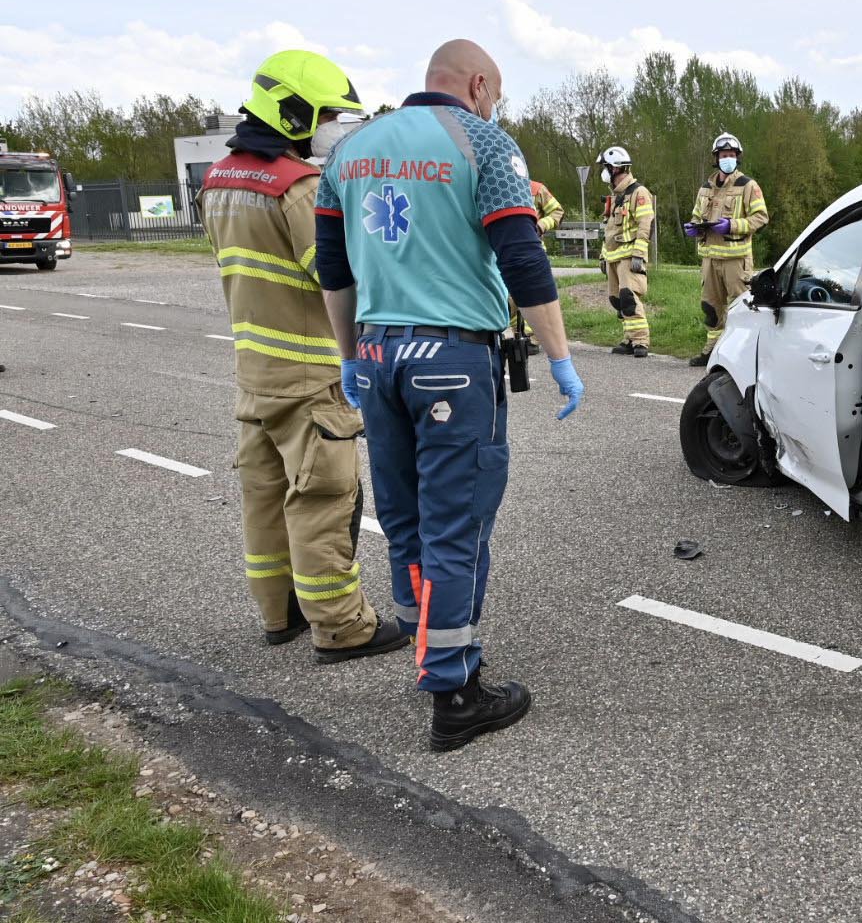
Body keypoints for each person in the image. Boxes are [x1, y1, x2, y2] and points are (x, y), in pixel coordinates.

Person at [314, 38, 585, 752]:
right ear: (474, 85)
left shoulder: (349, 152)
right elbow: (522, 256)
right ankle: (457, 694)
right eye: (493, 93)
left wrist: (349, 358)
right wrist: (560, 357)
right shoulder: (483, 143)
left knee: (406, 522)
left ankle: (429, 651)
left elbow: (334, 273)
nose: (493, 105)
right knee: (456, 529)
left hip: (376, 355)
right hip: (453, 361)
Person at [198, 50, 409, 663]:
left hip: (254, 374)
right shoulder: (298, 188)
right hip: (312, 375)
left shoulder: (220, 182)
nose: (331, 128)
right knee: (322, 500)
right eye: (325, 115)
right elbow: (339, 277)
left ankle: (279, 614)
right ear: (292, 113)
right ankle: (342, 627)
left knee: (264, 499)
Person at [686, 131, 768, 367]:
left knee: (741, 307)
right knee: (711, 306)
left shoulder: (748, 185)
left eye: (731, 155)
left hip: (736, 259)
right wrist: (695, 228)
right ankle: (712, 349)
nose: (727, 159)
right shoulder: (706, 187)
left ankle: (743, 354)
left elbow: (761, 218)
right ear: (716, 157)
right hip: (710, 258)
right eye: (724, 155)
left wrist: (732, 225)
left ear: (737, 157)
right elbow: (696, 215)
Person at [597, 146, 655, 357]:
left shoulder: (638, 193)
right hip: (613, 255)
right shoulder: (616, 196)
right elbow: (610, 230)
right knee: (617, 300)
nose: (603, 172)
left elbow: (645, 223)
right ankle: (629, 339)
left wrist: (639, 254)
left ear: (615, 168)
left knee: (629, 298)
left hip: (629, 255)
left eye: (606, 167)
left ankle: (641, 341)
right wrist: (604, 255)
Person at [509, 180, 565, 351]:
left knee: (533, 295)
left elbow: (557, 212)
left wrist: (540, 225)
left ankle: (532, 338)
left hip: (532, 250)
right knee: (508, 297)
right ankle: (514, 335)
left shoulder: (536, 189)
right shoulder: (497, 186)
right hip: (506, 251)